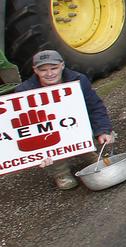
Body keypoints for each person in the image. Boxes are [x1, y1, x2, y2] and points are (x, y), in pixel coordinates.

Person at [19, 50, 114, 190]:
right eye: (43, 70)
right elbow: (22, 127)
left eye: (54, 68)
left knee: (101, 134)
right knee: (46, 138)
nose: (49, 73)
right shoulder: (23, 91)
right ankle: (60, 172)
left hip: (75, 125)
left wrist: (103, 131)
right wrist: (35, 154)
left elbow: (95, 107)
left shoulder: (78, 79)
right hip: (49, 133)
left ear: (62, 65)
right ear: (35, 70)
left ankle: (89, 153)